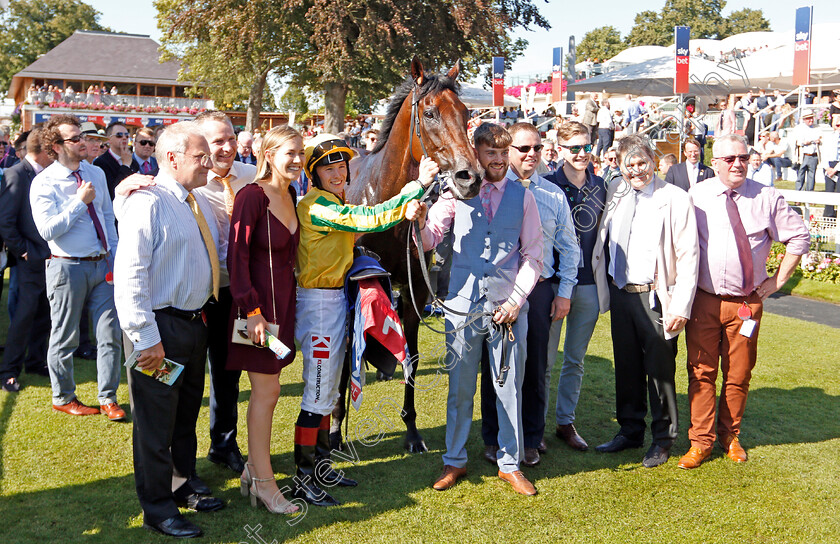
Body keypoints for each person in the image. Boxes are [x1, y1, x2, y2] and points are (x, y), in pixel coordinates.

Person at [293, 133, 437, 506]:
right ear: (315, 173)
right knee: (317, 393)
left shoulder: (329, 201)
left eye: (341, 165)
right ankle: (305, 477)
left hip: (334, 301)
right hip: (320, 305)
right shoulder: (315, 206)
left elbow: (360, 226)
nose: (339, 172)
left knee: (324, 395)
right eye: (329, 167)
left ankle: (321, 468)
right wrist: (415, 187)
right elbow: (366, 217)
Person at [114, 121, 226, 538]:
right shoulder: (148, 202)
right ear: (172, 157)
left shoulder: (189, 201)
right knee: (155, 423)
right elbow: (130, 275)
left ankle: (183, 484)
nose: (208, 164)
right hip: (159, 331)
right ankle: (158, 508)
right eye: (201, 157)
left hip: (192, 325)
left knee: (183, 416)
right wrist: (146, 340)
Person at [418, 122, 542, 496]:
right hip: (461, 308)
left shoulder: (524, 198)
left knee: (508, 388)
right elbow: (429, 238)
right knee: (459, 390)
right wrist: (419, 218)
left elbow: (533, 257)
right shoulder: (455, 193)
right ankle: (454, 460)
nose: (501, 160)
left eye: (505, 154)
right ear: (477, 155)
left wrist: (516, 300)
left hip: (506, 308)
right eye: (492, 153)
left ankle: (509, 463)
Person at [677, 134, 810, 469]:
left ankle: (730, 436)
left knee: (738, 373)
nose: (737, 164)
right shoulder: (697, 196)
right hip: (704, 302)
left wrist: (777, 282)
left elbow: (799, 236)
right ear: (715, 162)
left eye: (743, 158)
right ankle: (701, 441)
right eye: (729, 159)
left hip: (746, 305)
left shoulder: (766, 197)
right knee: (701, 372)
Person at [592, 133, 699, 468]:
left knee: (660, 371)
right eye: (630, 164)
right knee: (626, 367)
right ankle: (630, 430)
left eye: (642, 163)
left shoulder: (675, 198)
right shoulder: (616, 192)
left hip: (656, 297)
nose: (637, 170)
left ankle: (663, 438)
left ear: (654, 161)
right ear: (620, 165)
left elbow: (688, 254)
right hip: (622, 294)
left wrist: (680, 307)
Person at [480, 122, 578, 467]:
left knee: (536, 367)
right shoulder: (486, 191)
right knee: (495, 367)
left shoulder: (552, 195)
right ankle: (492, 437)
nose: (532, 154)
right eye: (523, 149)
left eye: (537, 147)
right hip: (496, 290)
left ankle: (532, 437)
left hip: (538, 292)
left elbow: (570, 248)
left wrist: (563, 293)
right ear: (507, 152)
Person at [30, 114, 124, 420]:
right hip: (66, 268)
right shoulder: (44, 182)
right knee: (65, 336)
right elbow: (46, 231)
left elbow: (108, 216)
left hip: (102, 265)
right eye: (75, 138)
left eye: (82, 137)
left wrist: (115, 253)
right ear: (56, 146)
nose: (83, 142)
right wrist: (78, 202)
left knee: (109, 334)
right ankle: (63, 396)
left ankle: (108, 398)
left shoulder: (94, 173)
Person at [227, 126, 301, 514]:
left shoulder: (291, 194)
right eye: (289, 152)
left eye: (300, 152)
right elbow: (236, 257)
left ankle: (251, 471)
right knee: (267, 392)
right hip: (256, 315)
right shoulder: (251, 196)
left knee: (270, 390)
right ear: (268, 154)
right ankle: (264, 483)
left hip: (283, 312)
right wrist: (251, 311)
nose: (297, 160)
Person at [191, 111, 259, 475]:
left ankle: (224, 443)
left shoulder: (252, 176)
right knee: (190, 375)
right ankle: (183, 456)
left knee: (231, 371)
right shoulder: (189, 182)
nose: (228, 146)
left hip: (243, 294)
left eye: (231, 137)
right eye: (217, 140)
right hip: (200, 295)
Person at [542, 121, 607, 452]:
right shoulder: (546, 185)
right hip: (551, 284)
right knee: (546, 360)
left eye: (586, 146)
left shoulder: (602, 186)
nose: (581, 153)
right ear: (560, 149)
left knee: (575, 359)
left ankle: (565, 422)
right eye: (574, 148)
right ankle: (535, 425)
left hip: (589, 287)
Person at [0, 129, 53, 392]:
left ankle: (36, 361)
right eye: (52, 150)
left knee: (44, 315)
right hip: (30, 259)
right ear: (43, 150)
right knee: (23, 317)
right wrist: (24, 251)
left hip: (50, 258)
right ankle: (9, 370)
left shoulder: (48, 174)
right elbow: (6, 222)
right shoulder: (16, 174)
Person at [93, 121, 134, 200]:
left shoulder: (132, 161)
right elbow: (113, 191)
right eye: (119, 135)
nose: (124, 138)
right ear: (109, 139)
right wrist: (125, 166)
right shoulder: (101, 162)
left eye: (127, 135)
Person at [793, 111, 821, 191]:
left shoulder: (817, 127)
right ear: (804, 119)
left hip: (813, 155)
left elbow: (820, 138)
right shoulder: (798, 128)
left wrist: (818, 141)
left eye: (812, 118)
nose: (811, 120)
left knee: (811, 176)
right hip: (803, 155)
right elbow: (798, 141)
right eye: (809, 118)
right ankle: (798, 195)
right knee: (800, 175)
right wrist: (806, 142)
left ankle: (810, 195)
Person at [820, 116, 840, 218]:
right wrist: (827, 167)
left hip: (838, 166)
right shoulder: (829, 137)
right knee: (829, 191)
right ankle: (828, 216)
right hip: (829, 165)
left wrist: (836, 168)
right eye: (837, 125)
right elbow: (823, 152)